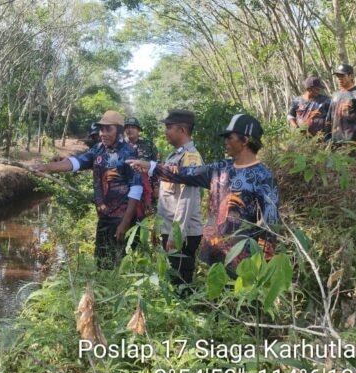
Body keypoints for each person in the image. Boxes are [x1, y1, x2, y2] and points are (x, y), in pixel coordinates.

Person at [130, 113, 278, 278]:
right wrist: (151, 166)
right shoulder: (220, 168)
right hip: (215, 253)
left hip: (242, 258)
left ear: (245, 140)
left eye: (230, 137)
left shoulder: (264, 177)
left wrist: (265, 265)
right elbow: (186, 173)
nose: (225, 141)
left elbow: (270, 225)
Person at [30, 110, 142, 269]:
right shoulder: (98, 149)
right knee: (101, 263)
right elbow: (76, 162)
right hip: (104, 218)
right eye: (101, 129)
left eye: (108, 129)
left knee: (120, 265)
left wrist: (125, 223)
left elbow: (136, 189)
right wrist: (48, 167)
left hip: (122, 219)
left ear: (119, 130)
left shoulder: (129, 153)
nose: (103, 133)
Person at [155, 110, 204, 287]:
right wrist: (159, 227)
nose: (165, 131)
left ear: (182, 130)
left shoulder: (191, 158)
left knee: (180, 284)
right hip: (171, 229)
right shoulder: (174, 155)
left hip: (182, 233)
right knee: (172, 280)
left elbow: (186, 200)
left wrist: (176, 235)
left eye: (169, 127)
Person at [325, 64, 356, 152]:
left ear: (351, 76)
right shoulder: (335, 94)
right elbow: (329, 117)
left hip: (351, 141)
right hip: (335, 141)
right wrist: (327, 137)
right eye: (338, 76)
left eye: (342, 76)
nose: (339, 78)